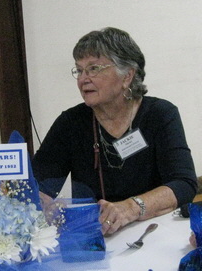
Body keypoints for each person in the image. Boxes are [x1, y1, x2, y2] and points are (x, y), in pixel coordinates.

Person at [32, 27, 197, 235]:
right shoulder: (71, 122)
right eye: (79, 70)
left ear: (127, 76)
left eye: (94, 69)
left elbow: (184, 184)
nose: (83, 79)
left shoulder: (160, 114)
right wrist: (36, 202)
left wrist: (130, 208)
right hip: (97, 236)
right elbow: (38, 181)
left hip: (155, 231)